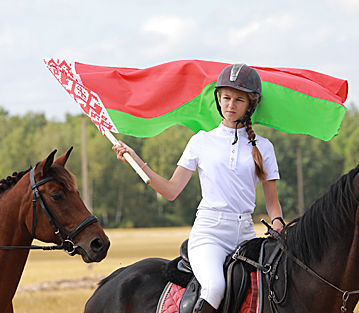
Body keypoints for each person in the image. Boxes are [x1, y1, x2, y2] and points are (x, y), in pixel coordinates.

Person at [113, 63, 284, 313]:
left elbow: (272, 202)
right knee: (214, 288)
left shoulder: (264, 147)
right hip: (210, 235)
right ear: (218, 99)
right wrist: (137, 161)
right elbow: (171, 190)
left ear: (250, 105)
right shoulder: (201, 141)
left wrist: (278, 223)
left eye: (239, 99)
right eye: (226, 98)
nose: (230, 105)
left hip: (246, 235)